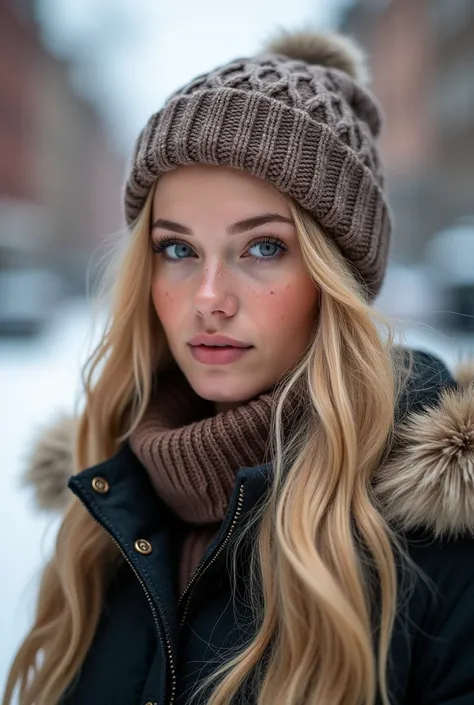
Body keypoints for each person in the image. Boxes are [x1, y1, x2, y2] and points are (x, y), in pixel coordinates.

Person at [3, 29, 474, 705]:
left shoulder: (435, 544)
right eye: (176, 250)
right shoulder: (108, 507)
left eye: (262, 247)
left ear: (333, 272)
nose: (208, 299)